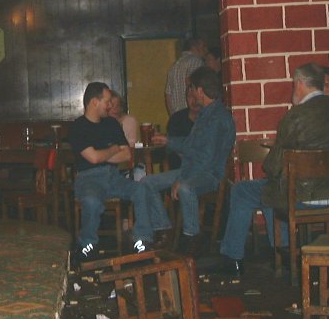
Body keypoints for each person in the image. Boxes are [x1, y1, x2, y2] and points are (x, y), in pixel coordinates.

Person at [216, 63, 329, 276]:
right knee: (274, 190)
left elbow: (273, 166)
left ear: (299, 84)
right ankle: (280, 251)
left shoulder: (295, 116)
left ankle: (234, 257)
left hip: (302, 197)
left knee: (244, 190)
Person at [143, 66, 235, 256]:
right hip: (194, 169)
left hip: (210, 175)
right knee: (147, 182)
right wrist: (169, 140)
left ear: (200, 90)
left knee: (185, 187)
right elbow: (192, 145)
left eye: (192, 89)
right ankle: (164, 230)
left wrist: (183, 178)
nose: (191, 94)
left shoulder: (217, 118)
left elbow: (206, 158)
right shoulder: (206, 114)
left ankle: (192, 238)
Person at [69, 82, 155, 260]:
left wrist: (101, 154)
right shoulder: (78, 126)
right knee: (92, 201)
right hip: (88, 178)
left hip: (113, 176)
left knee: (140, 189)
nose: (110, 106)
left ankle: (142, 241)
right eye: (107, 101)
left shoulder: (112, 124)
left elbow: (126, 155)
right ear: (94, 102)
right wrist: (113, 148)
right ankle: (87, 245)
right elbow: (94, 159)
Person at [165, 37, 208, 115]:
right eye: (203, 47)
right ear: (194, 47)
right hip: (191, 115)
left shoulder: (174, 66)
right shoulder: (196, 61)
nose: (206, 50)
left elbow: (168, 95)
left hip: (177, 116)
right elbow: (190, 82)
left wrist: (173, 116)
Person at [165, 85, 201, 169]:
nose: (194, 101)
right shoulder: (177, 119)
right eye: (190, 97)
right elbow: (175, 147)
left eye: (196, 97)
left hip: (205, 170)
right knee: (148, 181)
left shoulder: (210, 119)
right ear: (186, 99)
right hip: (180, 170)